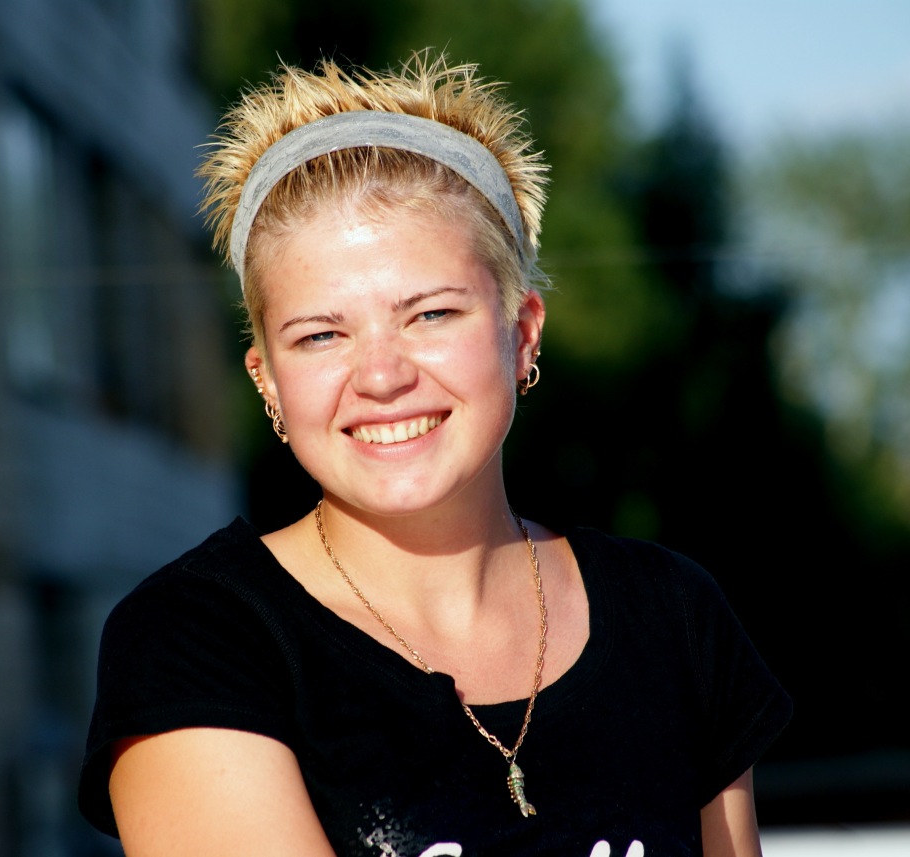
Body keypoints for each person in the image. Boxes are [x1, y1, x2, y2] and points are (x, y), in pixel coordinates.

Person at [78, 51, 791, 857]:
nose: (381, 375)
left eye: (430, 315)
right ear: (267, 379)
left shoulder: (674, 617)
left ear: (522, 333)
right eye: (321, 335)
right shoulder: (197, 643)